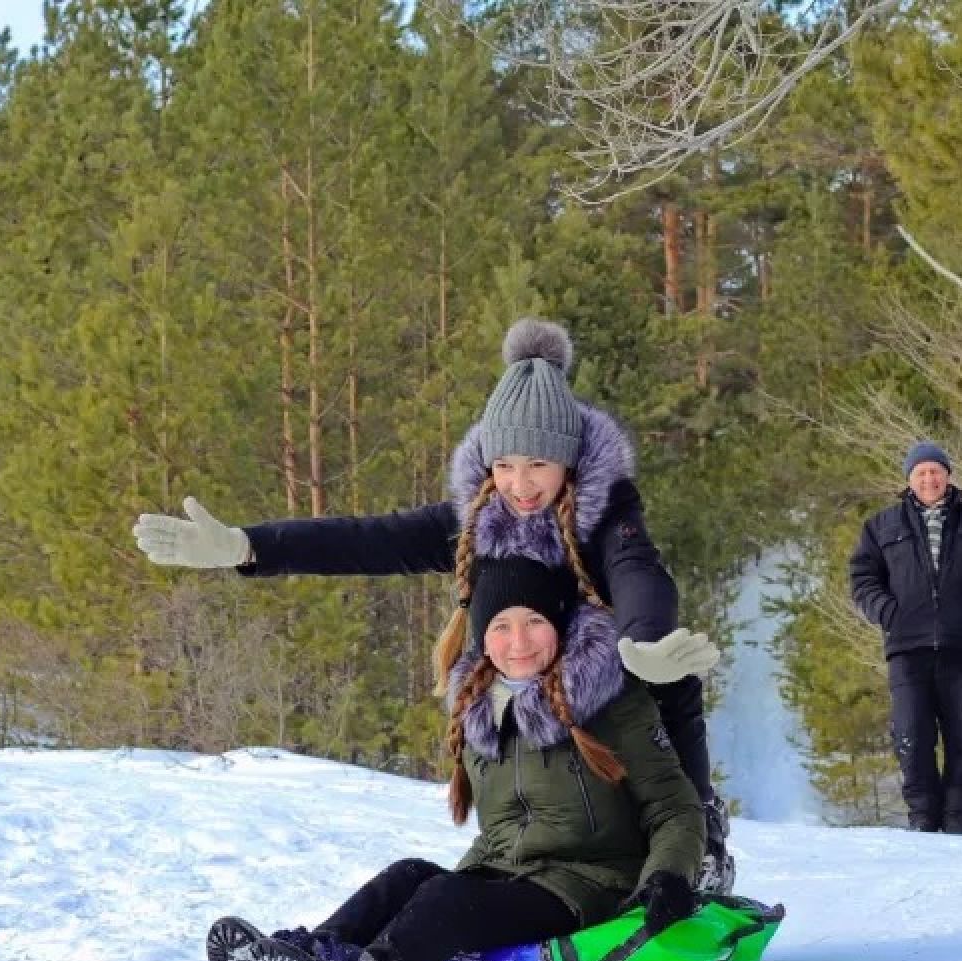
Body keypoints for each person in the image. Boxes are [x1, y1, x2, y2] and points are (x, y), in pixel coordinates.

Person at [135, 317, 734, 891]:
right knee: (494, 678)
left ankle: (698, 836)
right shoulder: (478, 516)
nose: (520, 485)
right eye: (505, 465)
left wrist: (645, 638)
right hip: (523, 656)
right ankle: (524, 847)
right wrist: (247, 546)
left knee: (669, 678)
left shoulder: (606, 509)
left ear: (569, 462)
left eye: (538, 466)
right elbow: (368, 539)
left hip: (598, 656)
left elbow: (637, 569)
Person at [205, 554, 705, 961]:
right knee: (408, 876)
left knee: (446, 897)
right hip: (513, 878)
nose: (519, 642)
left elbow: (673, 806)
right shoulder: (479, 710)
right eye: (502, 627)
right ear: (482, 637)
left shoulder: (611, 702)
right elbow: (497, 835)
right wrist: (457, 889)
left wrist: (670, 876)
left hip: (589, 885)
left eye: (535, 622)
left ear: (560, 624)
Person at [848, 441, 962, 833]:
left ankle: (957, 818)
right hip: (907, 649)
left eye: (935, 471)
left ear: (948, 475)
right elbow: (863, 578)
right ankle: (922, 818)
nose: (929, 479)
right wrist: (887, 612)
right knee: (911, 735)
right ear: (909, 480)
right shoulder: (882, 526)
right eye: (920, 472)